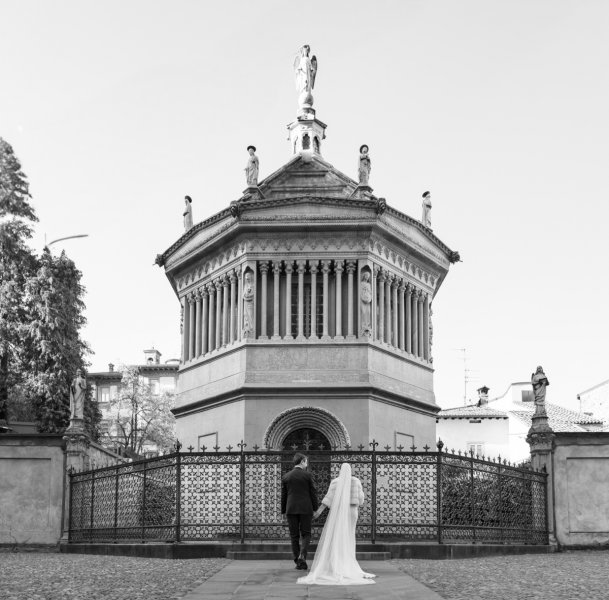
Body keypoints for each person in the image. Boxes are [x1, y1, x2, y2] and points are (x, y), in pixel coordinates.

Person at [298, 463, 375, 586]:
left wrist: (318, 511)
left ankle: (335, 562)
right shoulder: (356, 481)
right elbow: (361, 499)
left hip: (339, 512)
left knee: (337, 537)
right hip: (352, 512)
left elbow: (328, 499)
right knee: (349, 537)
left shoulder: (335, 482)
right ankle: (348, 562)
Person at [281, 453, 319, 571]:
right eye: (306, 461)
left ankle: (298, 561)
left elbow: (284, 496)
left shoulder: (286, 476)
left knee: (294, 536)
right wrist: (315, 508)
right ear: (302, 461)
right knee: (306, 533)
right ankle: (302, 555)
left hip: (291, 509)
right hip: (305, 508)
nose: (307, 464)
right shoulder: (307, 475)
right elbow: (313, 492)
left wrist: (283, 511)